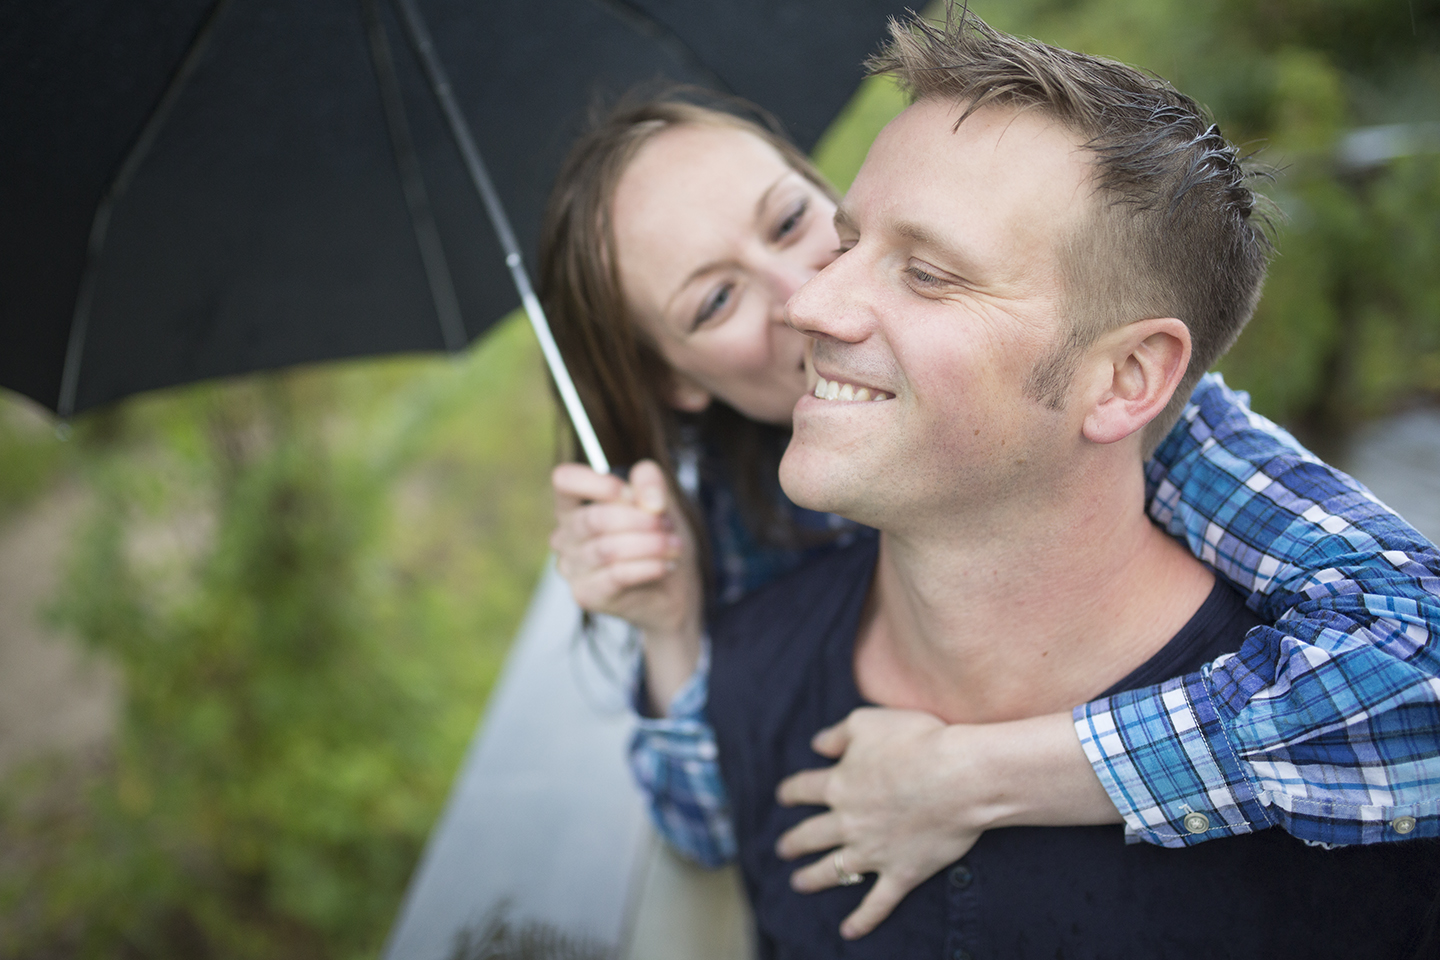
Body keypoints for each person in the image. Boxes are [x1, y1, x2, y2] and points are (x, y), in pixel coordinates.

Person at [540, 65, 1440, 940]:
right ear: (675, 381)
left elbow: (1414, 660)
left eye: (792, 222)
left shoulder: (1167, 427)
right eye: (716, 301)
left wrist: (973, 776)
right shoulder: (735, 536)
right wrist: (669, 625)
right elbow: (725, 812)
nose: (802, 300)